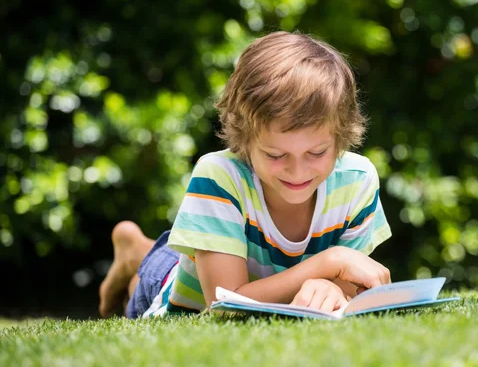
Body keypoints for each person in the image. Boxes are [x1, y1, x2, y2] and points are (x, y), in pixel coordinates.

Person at [98, 31, 393, 319]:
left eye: (317, 153)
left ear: (341, 138)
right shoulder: (219, 177)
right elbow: (225, 305)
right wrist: (329, 263)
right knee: (155, 276)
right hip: (184, 290)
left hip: (220, 252)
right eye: (276, 155)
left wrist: (334, 286)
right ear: (245, 141)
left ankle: (137, 248)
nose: (297, 170)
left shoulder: (357, 180)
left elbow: (348, 286)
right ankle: (134, 253)